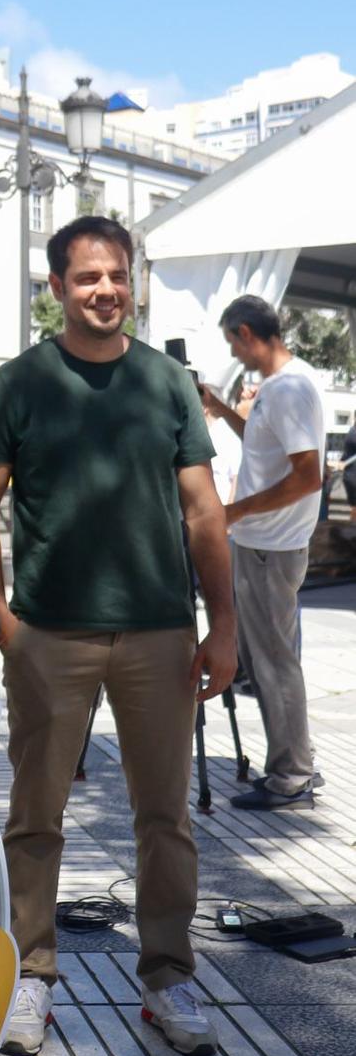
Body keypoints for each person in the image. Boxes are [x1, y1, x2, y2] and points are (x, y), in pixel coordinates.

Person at [0, 216, 236, 1056]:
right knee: (36, 816)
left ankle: (167, 977)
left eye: (117, 275)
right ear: (56, 288)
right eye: (87, 277)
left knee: (165, 817)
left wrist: (224, 625)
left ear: (133, 282)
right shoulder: (20, 383)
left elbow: (202, 510)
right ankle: (31, 977)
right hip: (49, 633)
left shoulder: (166, 384)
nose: (105, 290)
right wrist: (3, 616)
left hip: (160, 631)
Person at [204, 295, 326, 808]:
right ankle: (295, 759)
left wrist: (234, 513)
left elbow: (307, 476)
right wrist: (220, 410)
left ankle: (291, 774)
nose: (234, 351)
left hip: (269, 547)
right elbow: (267, 445)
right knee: (270, 657)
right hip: (266, 544)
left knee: (274, 661)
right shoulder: (282, 388)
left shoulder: (289, 389)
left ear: (247, 334)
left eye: (233, 340)